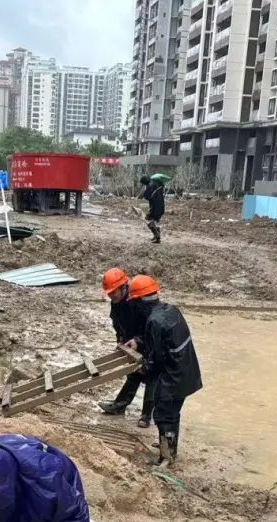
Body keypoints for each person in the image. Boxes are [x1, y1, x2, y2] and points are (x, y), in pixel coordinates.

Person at [128, 275, 202, 466]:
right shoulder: (170, 310)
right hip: (187, 371)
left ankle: (167, 457)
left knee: (164, 414)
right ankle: (168, 445)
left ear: (139, 301)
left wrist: (144, 368)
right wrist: (139, 342)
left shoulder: (154, 321)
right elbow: (164, 340)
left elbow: (157, 358)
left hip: (173, 376)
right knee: (172, 412)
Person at [97, 267, 154, 427]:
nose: (111, 295)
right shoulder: (116, 303)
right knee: (133, 373)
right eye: (109, 293)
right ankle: (120, 405)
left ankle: (146, 416)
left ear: (123, 287)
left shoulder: (138, 302)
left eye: (113, 292)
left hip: (149, 341)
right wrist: (120, 340)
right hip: (132, 341)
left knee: (151, 375)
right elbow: (118, 324)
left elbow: (152, 328)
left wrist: (139, 341)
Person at [139, 175, 165, 244]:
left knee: (148, 220)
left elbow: (147, 196)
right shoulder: (158, 185)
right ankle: (156, 237)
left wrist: (144, 191)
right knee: (156, 221)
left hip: (155, 207)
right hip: (161, 206)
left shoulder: (150, 186)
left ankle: (157, 237)